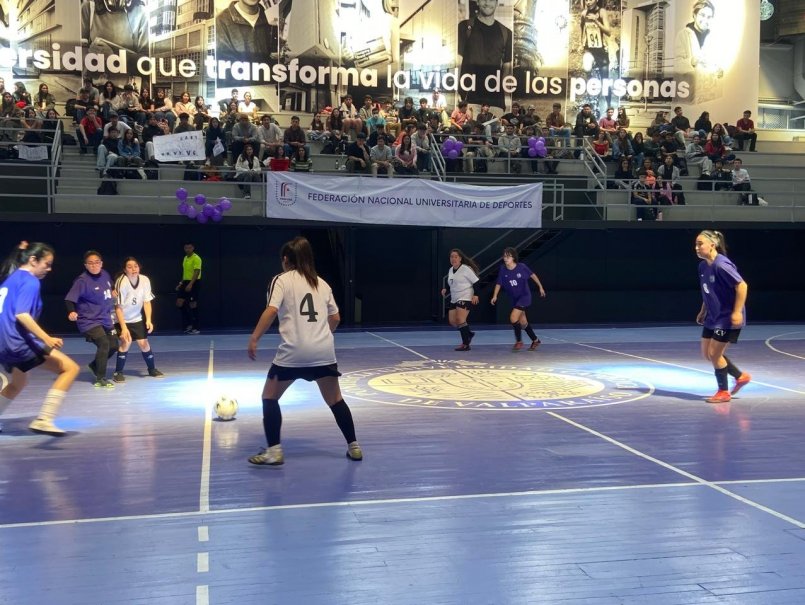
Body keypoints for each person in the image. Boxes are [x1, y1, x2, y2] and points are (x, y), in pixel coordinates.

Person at [246, 236, 362, 466]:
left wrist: (254, 337)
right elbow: (336, 318)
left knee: (269, 397)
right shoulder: (322, 283)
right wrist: (320, 336)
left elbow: (271, 310)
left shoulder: (280, 280)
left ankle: (274, 451)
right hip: (323, 352)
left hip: (294, 352)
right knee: (336, 400)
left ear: (286, 260)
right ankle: (354, 446)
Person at [0, 242, 80, 436]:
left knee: (18, 383)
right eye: (47, 263)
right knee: (70, 368)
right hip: (17, 341)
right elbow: (22, 315)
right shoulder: (30, 281)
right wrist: (46, 338)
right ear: (33, 260)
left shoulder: (10, 279)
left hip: (3, 343)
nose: (49, 268)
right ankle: (44, 419)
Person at [694, 230, 751, 403]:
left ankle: (723, 392)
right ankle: (740, 376)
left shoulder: (722, 265)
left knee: (714, 354)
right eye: (695, 244)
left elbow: (742, 286)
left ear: (713, 244)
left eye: (700, 244)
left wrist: (736, 312)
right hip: (713, 316)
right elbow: (708, 291)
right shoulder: (703, 266)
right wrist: (703, 310)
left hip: (726, 317)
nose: (696, 247)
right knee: (707, 353)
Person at [65, 250, 119, 388]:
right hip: (89, 320)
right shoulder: (82, 281)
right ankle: (100, 378)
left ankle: (95, 365)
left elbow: (110, 287)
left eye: (96, 262)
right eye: (90, 263)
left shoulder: (105, 274)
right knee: (104, 344)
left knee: (114, 346)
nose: (94, 265)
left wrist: (113, 292)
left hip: (105, 319)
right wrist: (71, 312)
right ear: (85, 265)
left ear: (101, 263)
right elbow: (69, 300)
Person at [112, 257, 165, 382]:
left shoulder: (145, 280)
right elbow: (118, 308)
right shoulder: (122, 282)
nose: (133, 269)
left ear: (139, 267)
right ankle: (118, 373)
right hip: (120, 319)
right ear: (125, 270)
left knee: (144, 343)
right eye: (129, 267)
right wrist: (124, 328)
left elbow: (146, 302)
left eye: (135, 266)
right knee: (126, 342)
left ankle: (152, 369)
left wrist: (148, 320)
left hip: (136, 318)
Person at [457, 0, 512, 111]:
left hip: (496, 101)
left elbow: (507, 68)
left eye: (491, 0)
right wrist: (457, 92)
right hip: (470, 99)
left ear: (496, 3)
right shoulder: (465, 27)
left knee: (496, 129)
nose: (487, 3)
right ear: (477, 2)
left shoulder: (506, 32)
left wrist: (506, 97)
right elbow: (458, 61)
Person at [490, 247, 546, 351]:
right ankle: (535, 340)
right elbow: (499, 283)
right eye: (504, 256)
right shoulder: (503, 269)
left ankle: (519, 341)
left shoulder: (522, 267)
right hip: (514, 298)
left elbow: (533, 275)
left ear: (513, 257)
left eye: (508, 256)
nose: (505, 258)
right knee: (523, 322)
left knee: (513, 318)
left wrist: (540, 287)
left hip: (524, 297)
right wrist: (495, 295)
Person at [440, 249, 479, 351]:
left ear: (460, 258)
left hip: (465, 296)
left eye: (455, 256)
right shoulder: (450, 270)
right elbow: (452, 283)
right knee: (453, 321)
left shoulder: (466, 269)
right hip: (454, 298)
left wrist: (476, 295)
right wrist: (446, 289)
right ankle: (468, 333)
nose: (453, 258)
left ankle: (466, 344)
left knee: (460, 320)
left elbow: (476, 282)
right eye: (451, 257)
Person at [176, 242, 201, 335]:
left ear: (193, 248)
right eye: (186, 248)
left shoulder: (197, 258)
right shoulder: (185, 258)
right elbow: (185, 272)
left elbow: (197, 272)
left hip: (194, 282)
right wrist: (181, 283)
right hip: (185, 282)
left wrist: (190, 284)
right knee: (179, 303)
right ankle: (189, 324)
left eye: (189, 248)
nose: (187, 250)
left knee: (193, 304)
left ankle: (196, 328)